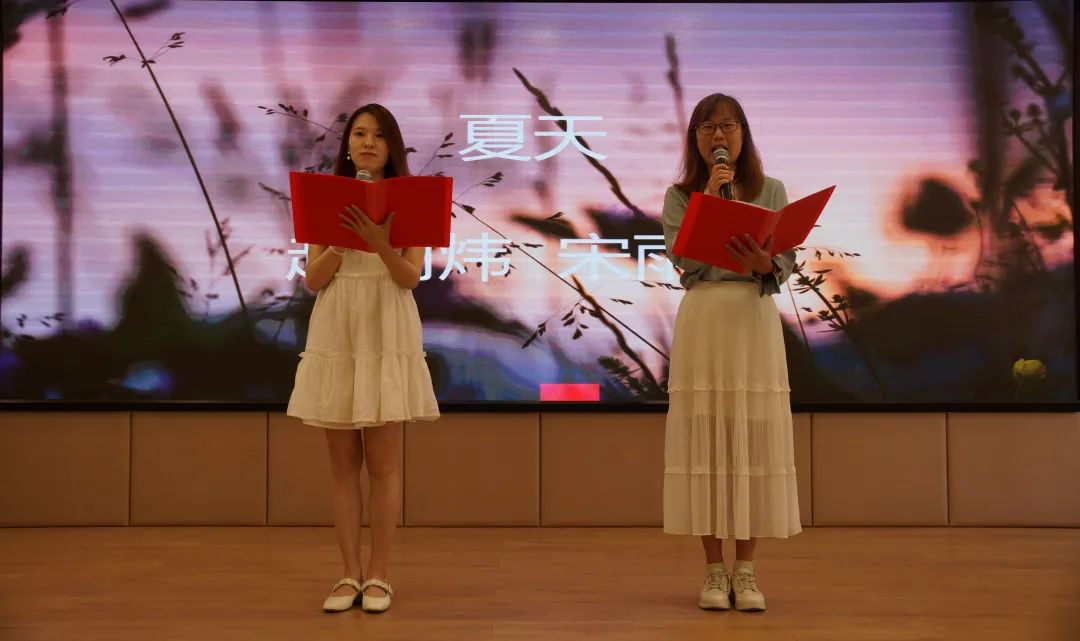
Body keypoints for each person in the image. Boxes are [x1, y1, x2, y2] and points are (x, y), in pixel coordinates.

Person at [286, 103, 440, 614]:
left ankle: (379, 575)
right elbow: (313, 279)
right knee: (341, 465)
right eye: (358, 134)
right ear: (347, 145)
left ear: (392, 146)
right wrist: (336, 244)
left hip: (386, 322)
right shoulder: (326, 198)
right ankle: (348, 573)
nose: (367, 143)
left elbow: (410, 277)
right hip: (339, 326)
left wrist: (380, 243)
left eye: (377, 135)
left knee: (383, 464)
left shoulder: (410, 199)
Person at [661, 93, 802, 612]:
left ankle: (746, 571)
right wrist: (709, 204)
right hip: (705, 315)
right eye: (707, 128)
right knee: (707, 441)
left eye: (727, 126)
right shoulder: (680, 196)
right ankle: (714, 572)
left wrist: (767, 264)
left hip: (752, 318)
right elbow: (685, 263)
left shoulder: (771, 190)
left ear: (743, 133)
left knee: (751, 440)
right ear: (695, 139)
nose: (718, 136)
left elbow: (783, 263)